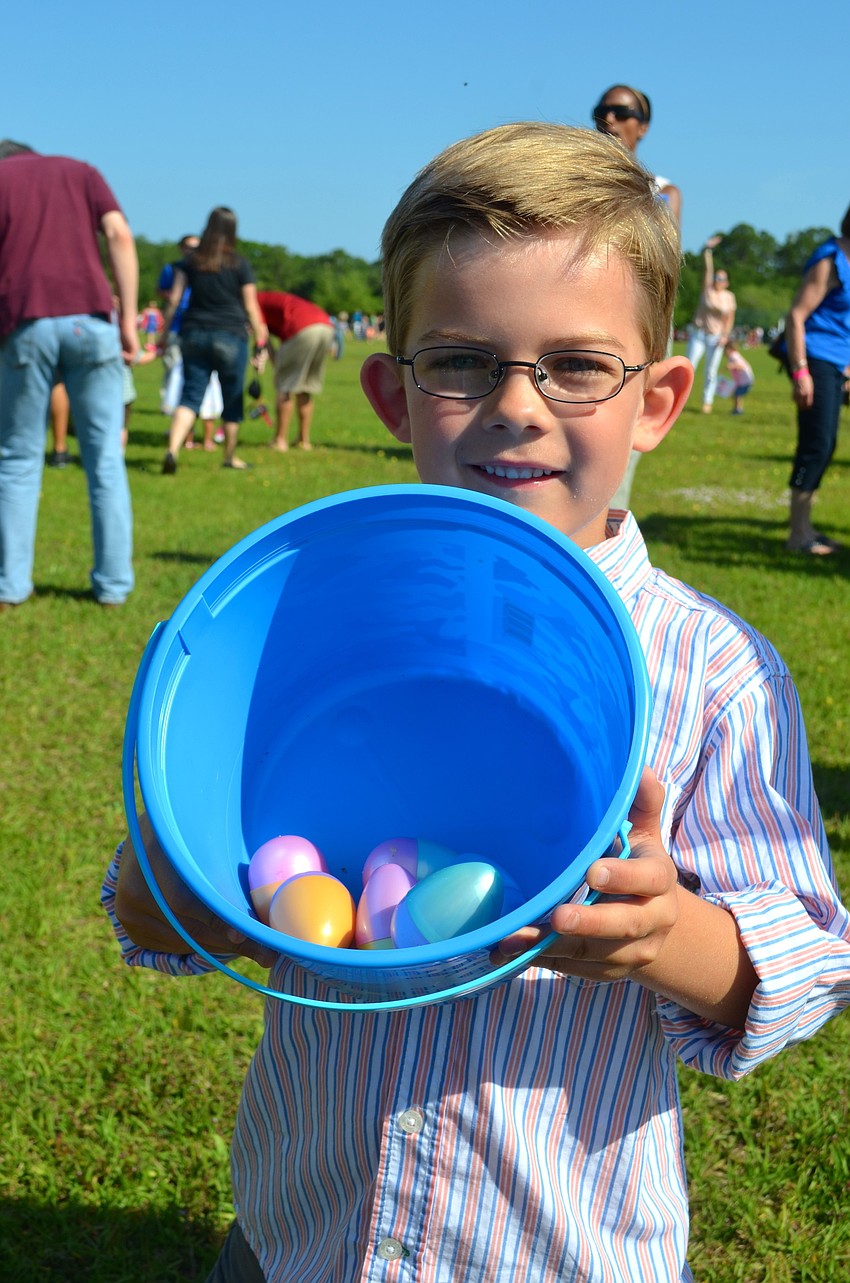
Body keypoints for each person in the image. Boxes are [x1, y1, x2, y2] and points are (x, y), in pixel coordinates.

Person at [103, 123, 850, 1282]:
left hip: (554, 1249)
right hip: (304, 1235)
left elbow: (796, 961)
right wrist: (186, 871)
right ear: (393, 396)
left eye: (576, 364)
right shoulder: (295, 631)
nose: (516, 403)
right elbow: (158, 917)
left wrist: (664, 934)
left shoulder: (718, 670)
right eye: (460, 361)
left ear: (655, 398)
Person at [0, 140, 136, 609]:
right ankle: (114, 585)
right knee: (105, 461)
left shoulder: (2, 180)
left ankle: (10, 585)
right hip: (92, 323)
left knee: (17, 460)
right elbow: (118, 234)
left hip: (24, 324)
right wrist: (130, 320)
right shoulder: (82, 172)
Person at [592, 83, 681, 509]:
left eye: (621, 111)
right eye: (602, 110)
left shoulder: (661, 192)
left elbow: (662, 276)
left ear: (642, 127)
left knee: (614, 450)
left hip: (624, 338)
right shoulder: (570, 178)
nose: (609, 118)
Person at [159, 207, 268, 474]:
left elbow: (174, 300)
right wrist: (261, 341)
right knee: (232, 397)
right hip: (231, 335)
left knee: (190, 395)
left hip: (194, 333)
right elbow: (252, 307)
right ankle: (230, 456)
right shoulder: (239, 263)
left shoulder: (192, 261)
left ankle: (172, 449)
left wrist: (163, 334)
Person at [779, 207, 850, 555]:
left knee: (827, 445)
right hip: (816, 360)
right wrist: (801, 372)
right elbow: (797, 315)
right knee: (816, 444)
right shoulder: (831, 258)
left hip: (838, 365)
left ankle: (807, 529)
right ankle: (797, 535)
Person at [255, 290, 335, 451]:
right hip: (326, 327)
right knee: (305, 387)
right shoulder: (267, 297)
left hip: (302, 327)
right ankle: (303, 440)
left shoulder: (252, 302)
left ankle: (280, 441)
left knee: (285, 387)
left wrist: (274, 363)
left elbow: (261, 334)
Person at [685, 236, 737, 414]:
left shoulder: (729, 297)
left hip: (716, 338)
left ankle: (707, 402)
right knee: (689, 367)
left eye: (722, 278)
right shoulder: (707, 290)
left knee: (711, 371)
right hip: (699, 334)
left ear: (727, 282)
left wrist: (725, 336)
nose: (718, 280)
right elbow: (708, 269)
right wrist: (708, 250)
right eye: (717, 277)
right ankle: (679, 399)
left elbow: (729, 318)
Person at [723, 341, 754, 415]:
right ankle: (737, 409)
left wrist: (731, 366)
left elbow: (741, 365)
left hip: (745, 381)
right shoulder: (734, 356)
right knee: (736, 395)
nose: (723, 353)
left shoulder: (734, 356)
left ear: (729, 349)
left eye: (724, 350)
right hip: (743, 381)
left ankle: (738, 410)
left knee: (736, 395)